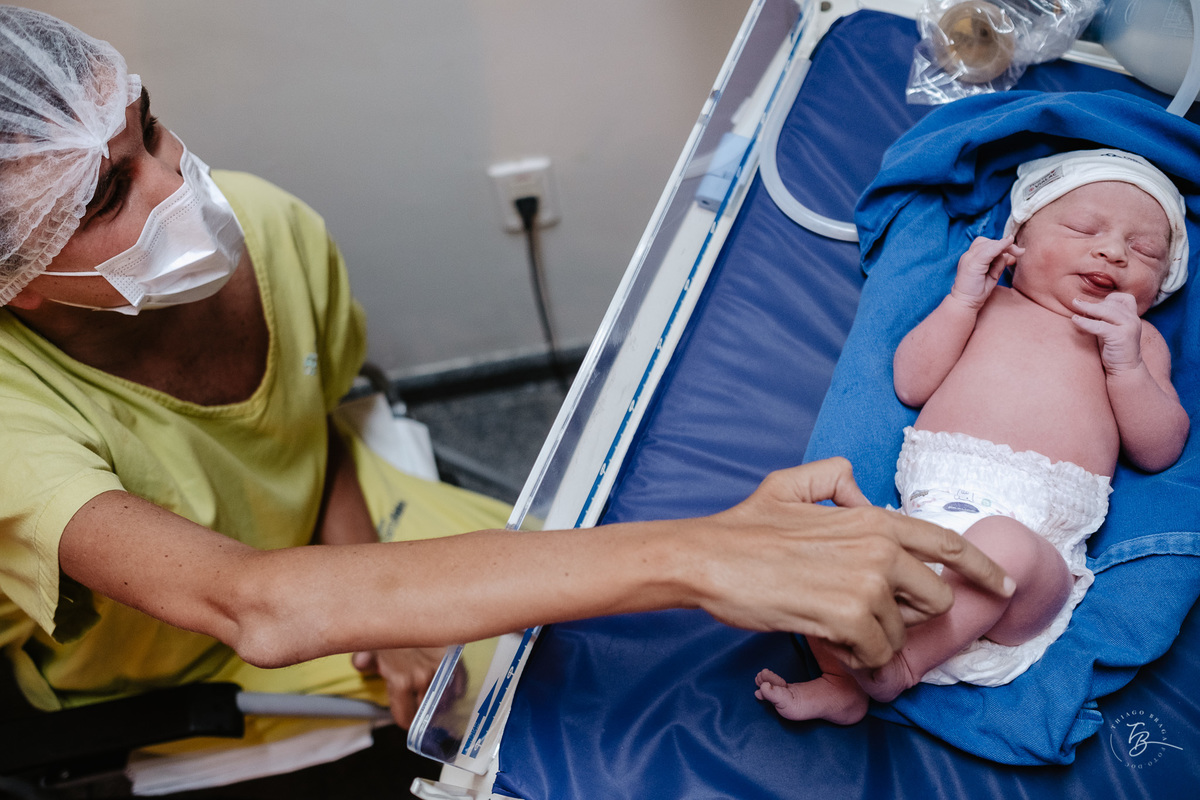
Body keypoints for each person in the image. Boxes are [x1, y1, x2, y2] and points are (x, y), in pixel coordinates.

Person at [0, 4, 1010, 752]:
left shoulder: (262, 224)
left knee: (639, 625)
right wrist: (704, 551)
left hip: (334, 526)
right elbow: (249, 607)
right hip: (187, 642)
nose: (178, 185)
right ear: (19, 279)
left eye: (149, 126)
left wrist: (372, 584)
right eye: (106, 196)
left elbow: (317, 422)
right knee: (579, 707)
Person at [755, 148, 1190, 724]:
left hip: (1028, 565)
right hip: (923, 529)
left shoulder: (1138, 344)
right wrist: (962, 300)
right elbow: (912, 382)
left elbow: (1159, 450)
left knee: (1002, 543)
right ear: (1017, 242)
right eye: (1084, 229)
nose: (1112, 251)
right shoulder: (987, 305)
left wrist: (1126, 366)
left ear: (1161, 285)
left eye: (1145, 251)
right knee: (828, 551)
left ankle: (903, 666)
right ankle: (841, 682)